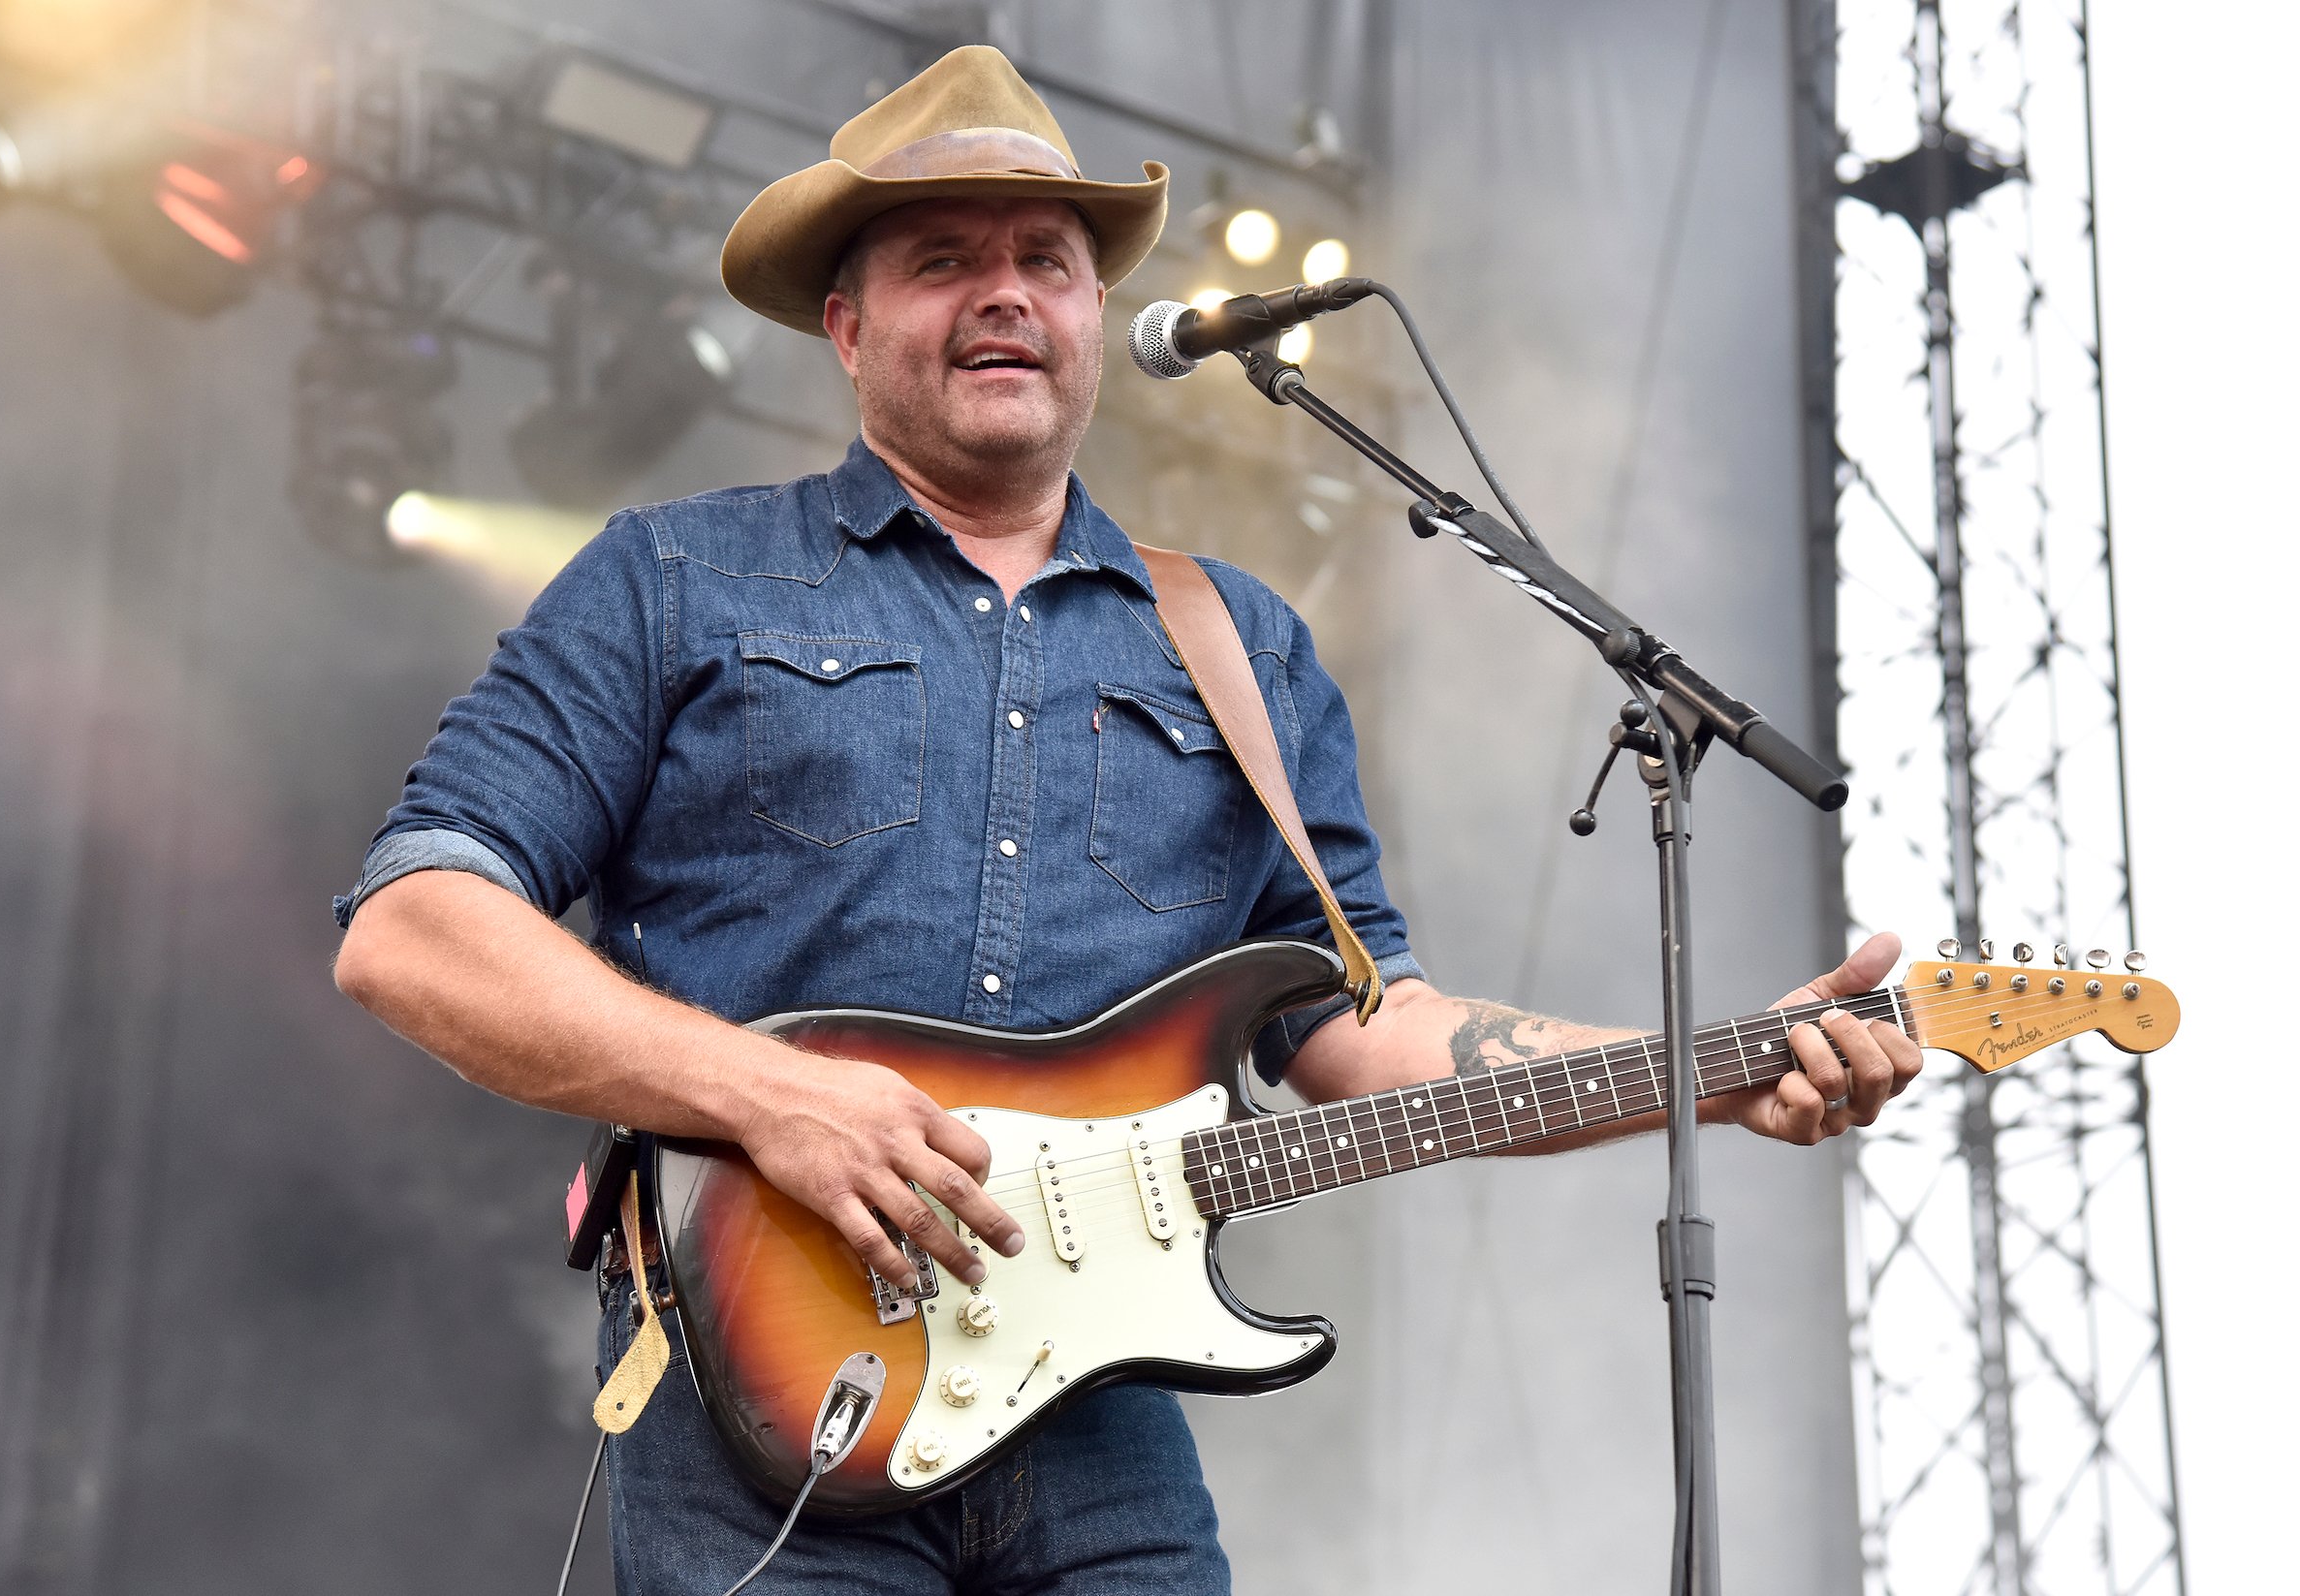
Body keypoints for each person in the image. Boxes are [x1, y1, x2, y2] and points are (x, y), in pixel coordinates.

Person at [331, 45, 1921, 1596]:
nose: (1005, 290)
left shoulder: (1239, 647)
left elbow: (1369, 1027)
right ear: (846, 323)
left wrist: (1707, 1072)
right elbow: (412, 929)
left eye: (1047, 257)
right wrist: (766, 1096)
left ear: (1097, 314)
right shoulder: (676, 576)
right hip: (768, 1381)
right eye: (942, 259)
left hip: (1101, 1418)